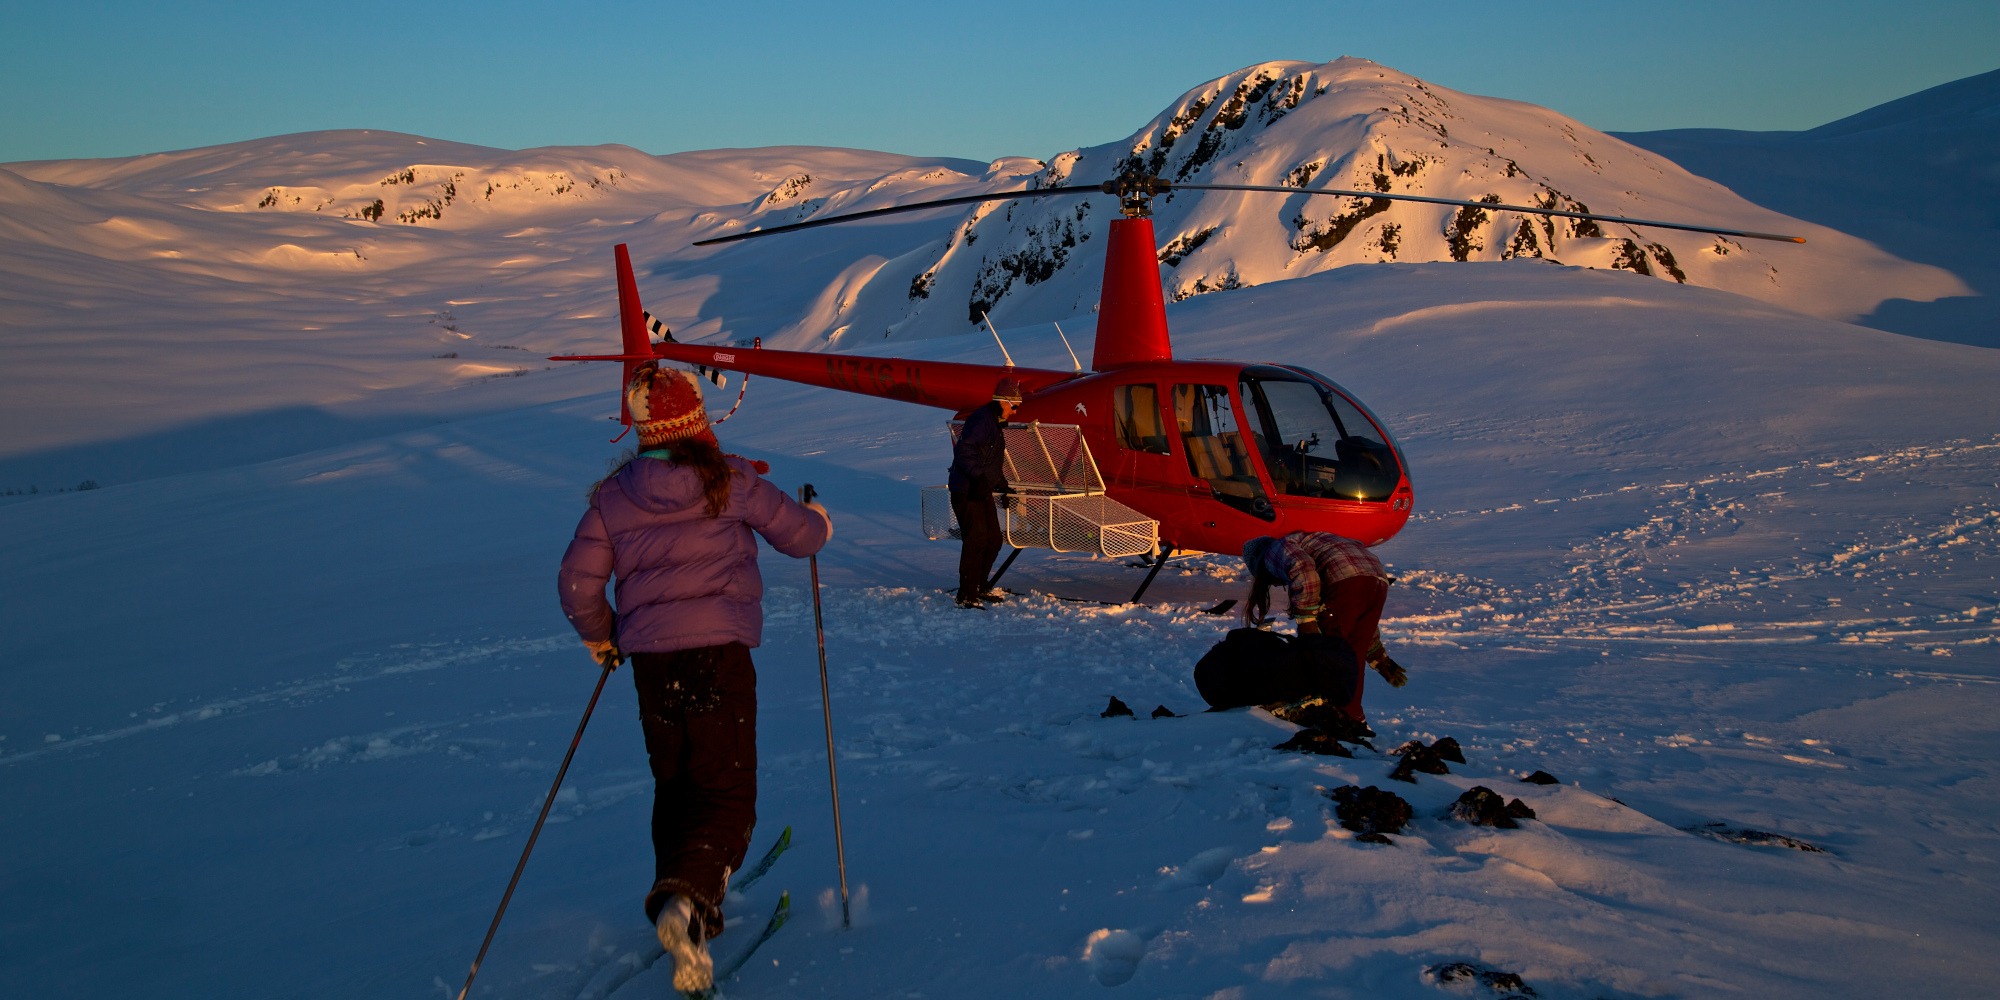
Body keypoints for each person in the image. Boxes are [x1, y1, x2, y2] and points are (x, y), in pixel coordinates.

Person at [557, 364, 831, 993]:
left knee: (676, 781)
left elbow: (576, 584)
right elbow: (800, 538)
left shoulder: (615, 495)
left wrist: (603, 634)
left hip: (653, 665)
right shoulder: (728, 479)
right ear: (697, 421)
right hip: (719, 654)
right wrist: (818, 517)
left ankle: (680, 886)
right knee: (724, 785)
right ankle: (689, 899)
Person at [1241, 531, 1405, 724]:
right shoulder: (1304, 541)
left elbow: (1303, 568)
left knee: (1327, 654)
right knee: (1352, 655)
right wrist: (1379, 657)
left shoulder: (1272, 551)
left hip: (1344, 578)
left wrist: (1306, 619)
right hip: (1376, 578)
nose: (1277, 585)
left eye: (1271, 581)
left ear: (1259, 566)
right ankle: (1352, 718)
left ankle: (1332, 717)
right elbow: (1358, 620)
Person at [947, 376, 1022, 609]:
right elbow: (964, 450)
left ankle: (979, 587)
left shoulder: (995, 424)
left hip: (981, 490)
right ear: (1003, 402)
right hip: (966, 490)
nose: (1015, 412)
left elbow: (991, 462)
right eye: (1014, 406)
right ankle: (966, 594)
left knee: (993, 540)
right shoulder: (981, 420)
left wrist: (1002, 485)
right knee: (976, 538)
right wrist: (978, 477)